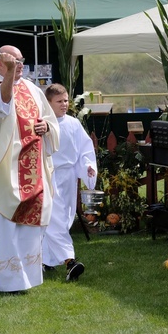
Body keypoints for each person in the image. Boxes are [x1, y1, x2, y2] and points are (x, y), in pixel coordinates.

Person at [0, 45, 60, 293]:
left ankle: (29, 276)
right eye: (15, 61)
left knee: (32, 223)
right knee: (11, 221)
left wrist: (47, 127)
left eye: (22, 61)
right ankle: (9, 280)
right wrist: (10, 75)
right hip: (7, 168)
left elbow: (49, 119)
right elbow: (2, 107)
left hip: (33, 167)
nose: (21, 65)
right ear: (1, 63)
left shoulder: (32, 88)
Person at [41, 83, 97, 281]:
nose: (64, 104)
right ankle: (70, 262)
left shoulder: (73, 124)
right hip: (48, 175)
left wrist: (88, 166)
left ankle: (45, 260)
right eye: (59, 101)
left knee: (64, 218)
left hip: (69, 176)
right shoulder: (42, 124)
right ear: (48, 103)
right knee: (54, 217)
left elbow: (84, 149)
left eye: (66, 100)